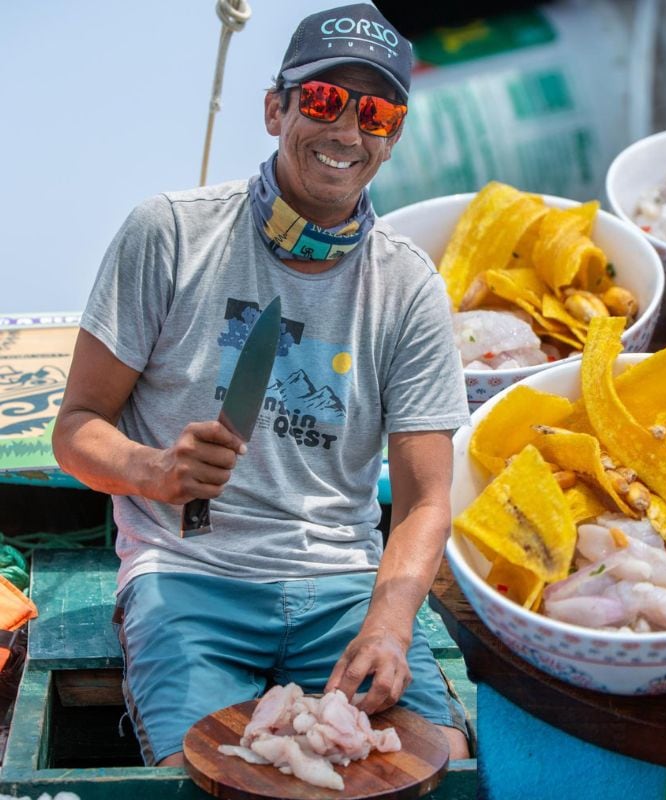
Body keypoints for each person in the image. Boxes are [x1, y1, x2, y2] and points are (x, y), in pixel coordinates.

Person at [51, 3, 471, 766]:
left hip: (343, 590)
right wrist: (156, 469)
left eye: (374, 111)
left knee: (430, 760)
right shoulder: (170, 233)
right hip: (187, 583)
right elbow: (75, 426)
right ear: (275, 108)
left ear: (393, 134)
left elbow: (424, 501)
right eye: (321, 100)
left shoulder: (409, 287)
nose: (346, 130)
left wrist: (389, 622)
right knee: (206, 775)